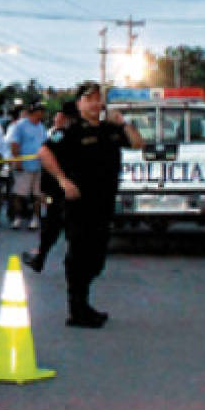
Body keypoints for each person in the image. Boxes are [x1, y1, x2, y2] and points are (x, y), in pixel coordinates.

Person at [38, 82, 143, 327]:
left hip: (104, 202)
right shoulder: (70, 131)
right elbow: (44, 153)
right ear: (79, 104)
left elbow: (138, 144)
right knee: (79, 255)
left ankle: (83, 304)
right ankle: (77, 309)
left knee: (97, 257)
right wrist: (63, 181)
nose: (95, 104)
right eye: (89, 99)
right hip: (79, 203)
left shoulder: (111, 129)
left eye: (98, 99)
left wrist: (124, 123)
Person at [23, 100, 79, 272]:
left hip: (56, 188)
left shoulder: (60, 134)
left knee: (52, 224)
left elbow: (44, 151)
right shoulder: (81, 133)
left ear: (63, 116)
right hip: (74, 187)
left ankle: (40, 256)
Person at [7, 104, 48, 230]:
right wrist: (17, 160)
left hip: (38, 165)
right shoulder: (20, 126)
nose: (42, 114)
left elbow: (44, 143)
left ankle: (35, 218)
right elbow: (14, 143)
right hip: (23, 165)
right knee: (19, 193)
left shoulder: (41, 127)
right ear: (34, 112)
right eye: (40, 111)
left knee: (37, 194)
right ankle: (17, 218)